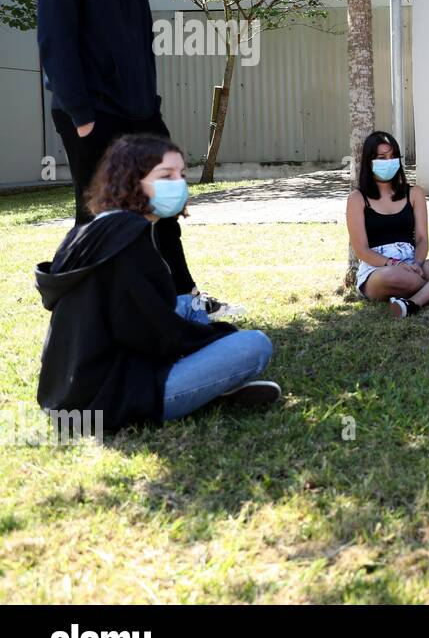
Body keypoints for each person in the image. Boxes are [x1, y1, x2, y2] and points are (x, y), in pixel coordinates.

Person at [35, 0, 232, 319]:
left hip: (141, 113)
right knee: (101, 214)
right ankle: (84, 305)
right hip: (91, 114)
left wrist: (152, 107)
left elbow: (141, 50)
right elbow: (56, 45)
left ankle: (183, 297)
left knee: (164, 204)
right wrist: (82, 116)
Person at [34, 135, 277, 431]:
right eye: (165, 176)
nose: (178, 184)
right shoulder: (130, 235)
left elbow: (135, 315)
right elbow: (148, 333)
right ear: (132, 181)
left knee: (188, 304)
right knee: (254, 344)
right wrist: (215, 336)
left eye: (182, 175)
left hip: (68, 391)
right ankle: (202, 389)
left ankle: (204, 386)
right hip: (108, 399)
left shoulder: (95, 228)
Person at [346, 131, 429, 318]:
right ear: (369, 161)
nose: (389, 161)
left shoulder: (415, 193)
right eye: (382, 157)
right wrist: (393, 263)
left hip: (413, 265)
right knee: (393, 275)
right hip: (378, 271)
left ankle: (413, 303)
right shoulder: (357, 199)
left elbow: (421, 239)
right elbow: (361, 250)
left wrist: (417, 263)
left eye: (393, 156)